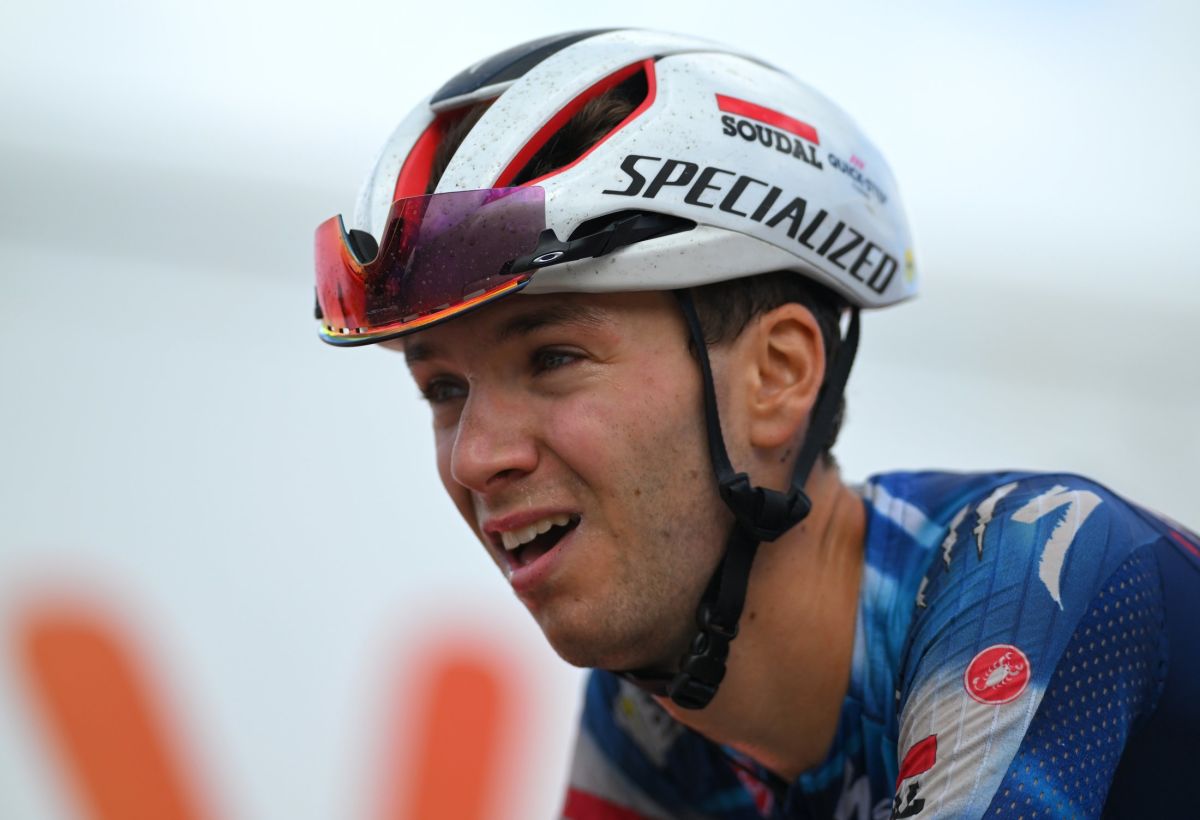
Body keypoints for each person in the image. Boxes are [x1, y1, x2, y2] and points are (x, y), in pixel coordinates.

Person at [313, 28, 1200, 819]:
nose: (476, 458)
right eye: (443, 389)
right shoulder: (652, 715)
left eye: (553, 358)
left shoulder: (1039, 564)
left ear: (779, 377)